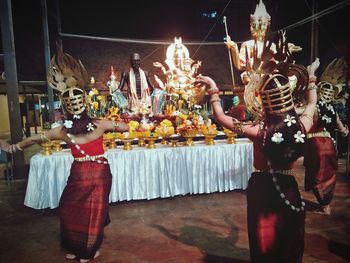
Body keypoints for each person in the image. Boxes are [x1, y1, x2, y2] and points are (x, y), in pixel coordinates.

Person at [7, 50, 129, 263]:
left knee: (70, 208)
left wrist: (14, 148)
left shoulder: (62, 131)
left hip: (79, 173)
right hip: (99, 171)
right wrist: (119, 122)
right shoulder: (101, 124)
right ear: (86, 103)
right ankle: (89, 251)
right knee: (94, 211)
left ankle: (74, 248)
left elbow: (34, 139)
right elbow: (125, 127)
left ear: (65, 108)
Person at [195, 57, 320, 262]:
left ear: (265, 101)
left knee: (264, 235)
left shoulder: (257, 130)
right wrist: (312, 73)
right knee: (290, 232)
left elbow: (219, 115)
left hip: (261, 187)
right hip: (287, 186)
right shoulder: (302, 125)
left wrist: (214, 88)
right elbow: (312, 102)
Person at [225, 0, 301, 85]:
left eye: (263, 25)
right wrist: (233, 48)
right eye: (257, 25)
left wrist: (286, 51)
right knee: (246, 77)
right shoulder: (248, 44)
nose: (260, 28)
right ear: (252, 26)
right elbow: (240, 66)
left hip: (271, 80)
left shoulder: (272, 46)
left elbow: (277, 65)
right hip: (253, 79)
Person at [303, 80, 349, 215]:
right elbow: (343, 130)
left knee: (315, 175)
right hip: (330, 144)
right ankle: (326, 204)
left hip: (315, 144)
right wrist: (346, 131)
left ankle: (324, 206)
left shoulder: (313, 107)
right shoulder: (333, 109)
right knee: (329, 176)